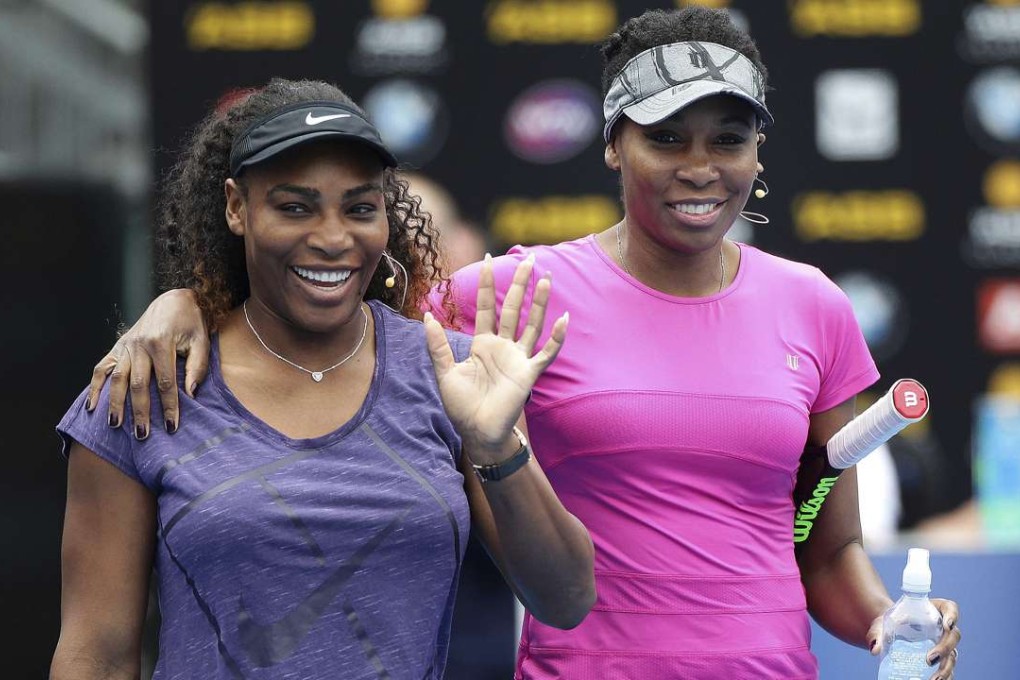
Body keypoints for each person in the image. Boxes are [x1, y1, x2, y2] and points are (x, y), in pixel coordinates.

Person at [82, 8, 962, 679]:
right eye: (665, 139)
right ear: (613, 144)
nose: (700, 166)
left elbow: (828, 543)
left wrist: (892, 617)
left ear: (758, 152)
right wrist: (185, 303)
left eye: (728, 139)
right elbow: (327, 290)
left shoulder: (813, 306)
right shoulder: (508, 294)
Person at [50, 78, 596, 680]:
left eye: (360, 208)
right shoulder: (145, 384)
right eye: (295, 207)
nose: (334, 238)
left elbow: (565, 601)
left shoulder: (454, 377)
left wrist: (498, 448)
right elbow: (95, 654)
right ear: (237, 207)